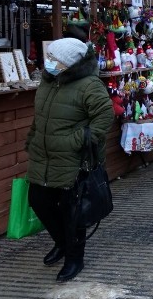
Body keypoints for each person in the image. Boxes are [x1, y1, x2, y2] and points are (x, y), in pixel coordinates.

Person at [25, 37, 113, 282]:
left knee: (71, 209)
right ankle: (62, 243)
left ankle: (75, 257)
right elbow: (40, 116)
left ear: (70, 63)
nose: (49, 63)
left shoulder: (89, 85)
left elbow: (105, 117)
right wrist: (33, 139)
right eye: (49, 58)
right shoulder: (48, 81)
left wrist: (80, 140)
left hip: (74, 159)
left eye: (55, 59)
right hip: (43, 155)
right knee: (39, 200)